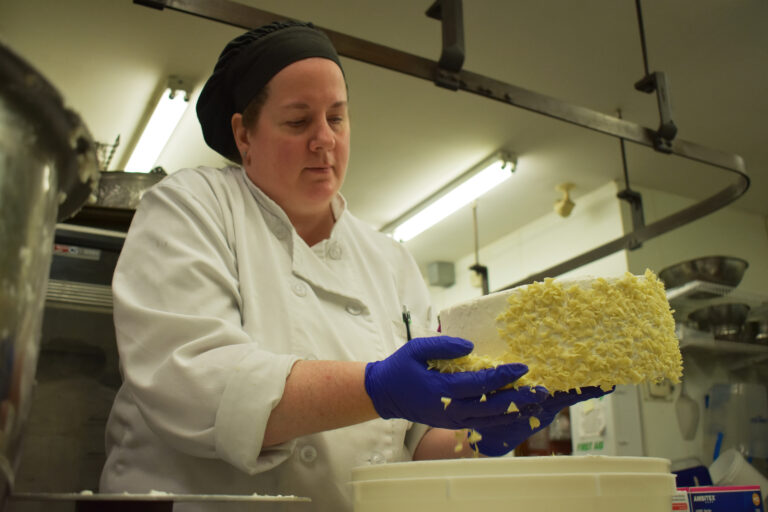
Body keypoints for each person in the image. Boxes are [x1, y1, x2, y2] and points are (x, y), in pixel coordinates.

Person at [99, 21, 607, 511]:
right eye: (298, 121)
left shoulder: (389, 259)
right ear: (244, 135)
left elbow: (412, 444)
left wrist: (478, 429)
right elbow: (192, 384)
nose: (325, 139)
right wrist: (375, 386)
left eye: (336, 117)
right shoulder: (191, 207)